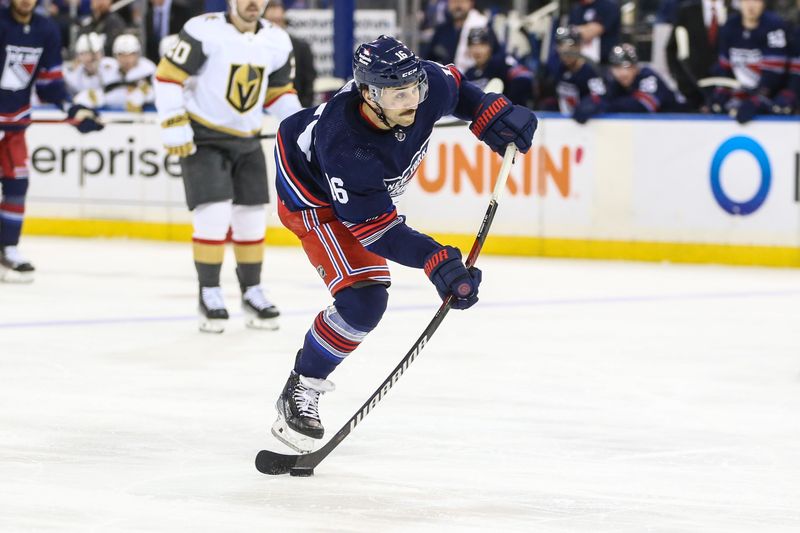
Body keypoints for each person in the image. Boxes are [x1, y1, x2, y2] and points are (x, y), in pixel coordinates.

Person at [268, 35, 537, 453]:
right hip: (311, 194)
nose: (412, 101)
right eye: (397, 95)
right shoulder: (344, 146)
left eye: (414, 89)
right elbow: (377, 229)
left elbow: (458, 91)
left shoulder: (425, 85)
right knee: (363, 302)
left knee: (367, 299)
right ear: (368, 94)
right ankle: (301, 387)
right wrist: (435, 260)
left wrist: (490, 113)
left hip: (356, 193)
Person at [154, 0, 302, 333]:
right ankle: (209, 292)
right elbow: (167, 77)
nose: (253, 3)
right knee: (213, 214)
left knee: (251, 217)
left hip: (247, 140)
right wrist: (173, 122)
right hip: (203, 139)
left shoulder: (277, 40)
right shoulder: (202, 29)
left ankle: (252, 292)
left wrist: (300, 126)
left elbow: (278, 92)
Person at [0, 0, 103, 283]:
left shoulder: (46, 28)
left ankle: (8, 248)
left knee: (17, 184)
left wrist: (73, 110)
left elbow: (49, 84)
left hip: (13, 127)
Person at [710, 0, 790, 122]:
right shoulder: (730, 25)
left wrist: (759, 98)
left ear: (763, 4)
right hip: (738, 96)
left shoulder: (774, 25)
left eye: (756, 1)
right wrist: (722, 92)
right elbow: (724, 67)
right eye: (746, 1)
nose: (751, 6)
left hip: (768, 97)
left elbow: (774, 73)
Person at [665, 0, 727, 110]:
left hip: (730, 94)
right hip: (693, 93)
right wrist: (686, 86)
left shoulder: (738, 12)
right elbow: (672, 50)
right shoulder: (687, 11)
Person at [546, 26, 607, 123]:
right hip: (562, 121)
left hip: (587, 125)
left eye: (571, 46)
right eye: (562, 45)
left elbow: (602, 98)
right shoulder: (557, 67)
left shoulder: (590, 70)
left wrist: (590, 104)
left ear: (579, 47)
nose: (566, 51)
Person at [463, 27, 535, 107]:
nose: (477, 50)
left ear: (490, 46)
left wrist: (510, 105)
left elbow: (525, 77)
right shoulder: (468, 74)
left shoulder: (502, 63)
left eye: (482, 45)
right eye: (473, 46)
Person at [263, 0, 316, 107]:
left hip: (293, 109)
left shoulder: (301, 47)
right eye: (271, 21)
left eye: (278, 21)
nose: (275, 26)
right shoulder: (254, 47)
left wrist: (302, 113)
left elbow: (308, 82)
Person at [425, 0, 493, 71]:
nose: (458, 6)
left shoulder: (483, 25)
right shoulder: (441, 30)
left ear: (471, 3)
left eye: (462, 1)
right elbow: (428, 60)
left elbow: (496, 58)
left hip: (474, 79)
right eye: (454, 1)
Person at [63, 32, 117, 108]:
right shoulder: (72, 75)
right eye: (84, 54)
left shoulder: (113, 68)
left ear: (101, 53)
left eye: (95, 53)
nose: (89, 58)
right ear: (78, 56)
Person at [105, 34, 156, 112]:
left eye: (131, 55)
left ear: (138, 54)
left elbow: (157, 93)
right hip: (115, 114)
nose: (126, 59)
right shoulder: (109, 69)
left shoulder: (148, 69)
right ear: (115, 55)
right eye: (122, 55)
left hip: (146, 116)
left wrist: (141, 95)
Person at [567, 0, 621, 65]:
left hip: (605, 62)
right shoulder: (576, 9)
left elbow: (589, 33)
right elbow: (569, 34)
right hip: (580, 62)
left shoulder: (608, 6)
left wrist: (577, 30)